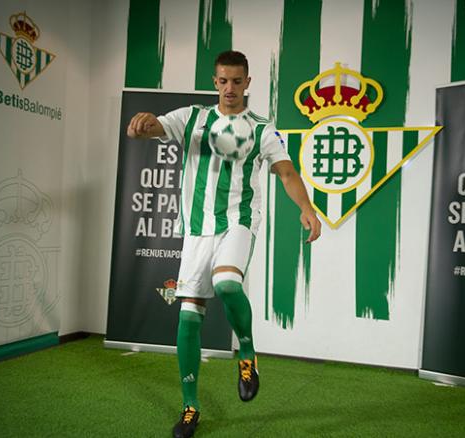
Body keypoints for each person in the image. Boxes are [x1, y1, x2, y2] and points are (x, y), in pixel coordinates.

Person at [127, 50, 321, 438]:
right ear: (214, 82)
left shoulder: (263, 129)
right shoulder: (192, 118)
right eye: (223, 81)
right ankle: (190, 407)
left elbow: (286, 172)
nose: (230, 88)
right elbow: (153, 129)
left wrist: (307, 207)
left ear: (248, 82)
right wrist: (141, 126)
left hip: (238, 222)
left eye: (237, 81)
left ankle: (246, 352)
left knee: (228, 284)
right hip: (197, 230)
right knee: (187, 319)